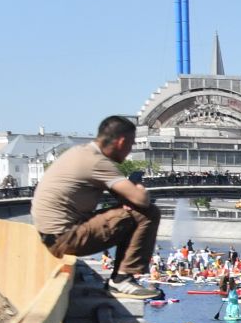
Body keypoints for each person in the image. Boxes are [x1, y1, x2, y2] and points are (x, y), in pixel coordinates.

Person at [29, 119, 163, 297]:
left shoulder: (79, 152)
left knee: (132, 211)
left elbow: (122, 196)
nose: (130, 150)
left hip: (51, 235)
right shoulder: (97, 162)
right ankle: (122, 280)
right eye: (131, 144)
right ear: (121, 142)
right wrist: (137, 186)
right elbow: (141, 200)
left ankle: (121, 278)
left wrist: (127, 197)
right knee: (148, 213)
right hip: (65, 238)